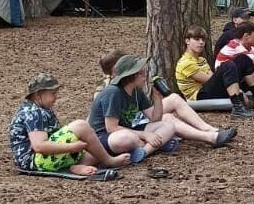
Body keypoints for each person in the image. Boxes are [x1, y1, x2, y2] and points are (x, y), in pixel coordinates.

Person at [88, 54, 235, 163]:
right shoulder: (113, 92)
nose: (145, 75)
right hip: (105, 137)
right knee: (127, 138)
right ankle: (155, 144)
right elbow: (111, 128)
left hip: (130, 130)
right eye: (141, 73)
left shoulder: (136, 92)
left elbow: (155, 118)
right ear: (130, 76)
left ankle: (143, 152)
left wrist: (157, 99)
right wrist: (145, 135)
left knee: (168, 126)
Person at [9, 73, 131, 176]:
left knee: (96, 149)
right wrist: (72, 147)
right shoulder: (34, 112)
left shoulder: (42, 109)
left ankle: (76, 166)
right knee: (81, 126)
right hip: (35, 161)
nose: (56, 97)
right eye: (52, 93)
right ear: (38, 95)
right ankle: (109, 161)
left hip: (43, 159)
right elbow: (39, 146)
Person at [174, 26, 254, 119]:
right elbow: (210, 80)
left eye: (203, 40)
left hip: (208, 90)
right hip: (199, 96)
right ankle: (238, 109)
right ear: (187, 41)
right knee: (228, 65)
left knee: (243, 58)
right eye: (196, 39)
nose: (201, 42)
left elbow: (214, 79)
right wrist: (239, 92)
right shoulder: (185, 63)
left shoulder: (201, 60)